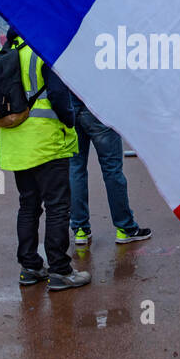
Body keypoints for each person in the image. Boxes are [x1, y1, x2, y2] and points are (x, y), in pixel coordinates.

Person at [0, 27, 89, 291]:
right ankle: (60, 270)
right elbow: (60, 98)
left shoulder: (6, 54)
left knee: (28, 206)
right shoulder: (42, 54)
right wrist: (70, 121)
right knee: (58, 207)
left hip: (17, 144)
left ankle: (30, 268)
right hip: (47, 143)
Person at [69, 96, 151, 248]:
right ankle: (125, 227)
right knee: (112, 170)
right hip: (98, 107)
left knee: (75, 169)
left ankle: (80, 229)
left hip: (71, 107)